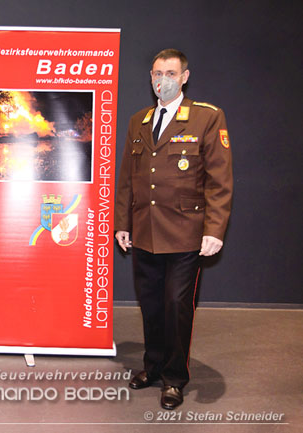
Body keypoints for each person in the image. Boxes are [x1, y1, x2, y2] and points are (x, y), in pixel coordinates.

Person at [114, 49, 232, 410]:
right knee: (150, 305)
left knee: (177, 306)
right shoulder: (140, 120)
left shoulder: (206, 117)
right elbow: (128, 179)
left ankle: (174, 378)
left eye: (169, 73)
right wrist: (123, 223)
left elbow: (219, 180)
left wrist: (214, 229)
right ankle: (152, 367)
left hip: (185, 232)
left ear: (184, 77)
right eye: (156, 73)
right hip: (146, 230)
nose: (161, 80)